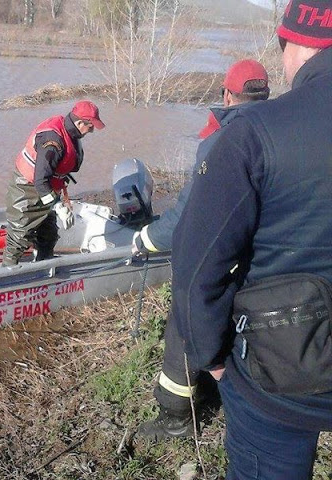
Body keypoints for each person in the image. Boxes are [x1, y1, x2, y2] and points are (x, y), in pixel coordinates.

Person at [171, 1, 332, 478]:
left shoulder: (252, 134)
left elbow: (197, 265)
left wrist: (211, 358)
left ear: (292, 43)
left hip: (274, 381)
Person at [134, 59, 271, 441]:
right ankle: (219, 386)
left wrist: (148, 239)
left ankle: (177, 415)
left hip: (223, 258)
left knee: (185, 321)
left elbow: (189, 212)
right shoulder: (278, 129)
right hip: (259, 262)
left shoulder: (222, 140)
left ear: (227, 95)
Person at [2, 101, 105, 267]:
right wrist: (58, 206)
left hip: (47, 189)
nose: (92, 130)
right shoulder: (53, 141)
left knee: (48, 233)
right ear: (80, 123)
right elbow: (40, 180)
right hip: (27, 189)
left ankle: (44, 265)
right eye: (91, 126)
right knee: (19, 235)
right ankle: (6, 275)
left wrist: (58, 203)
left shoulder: (71, 131)